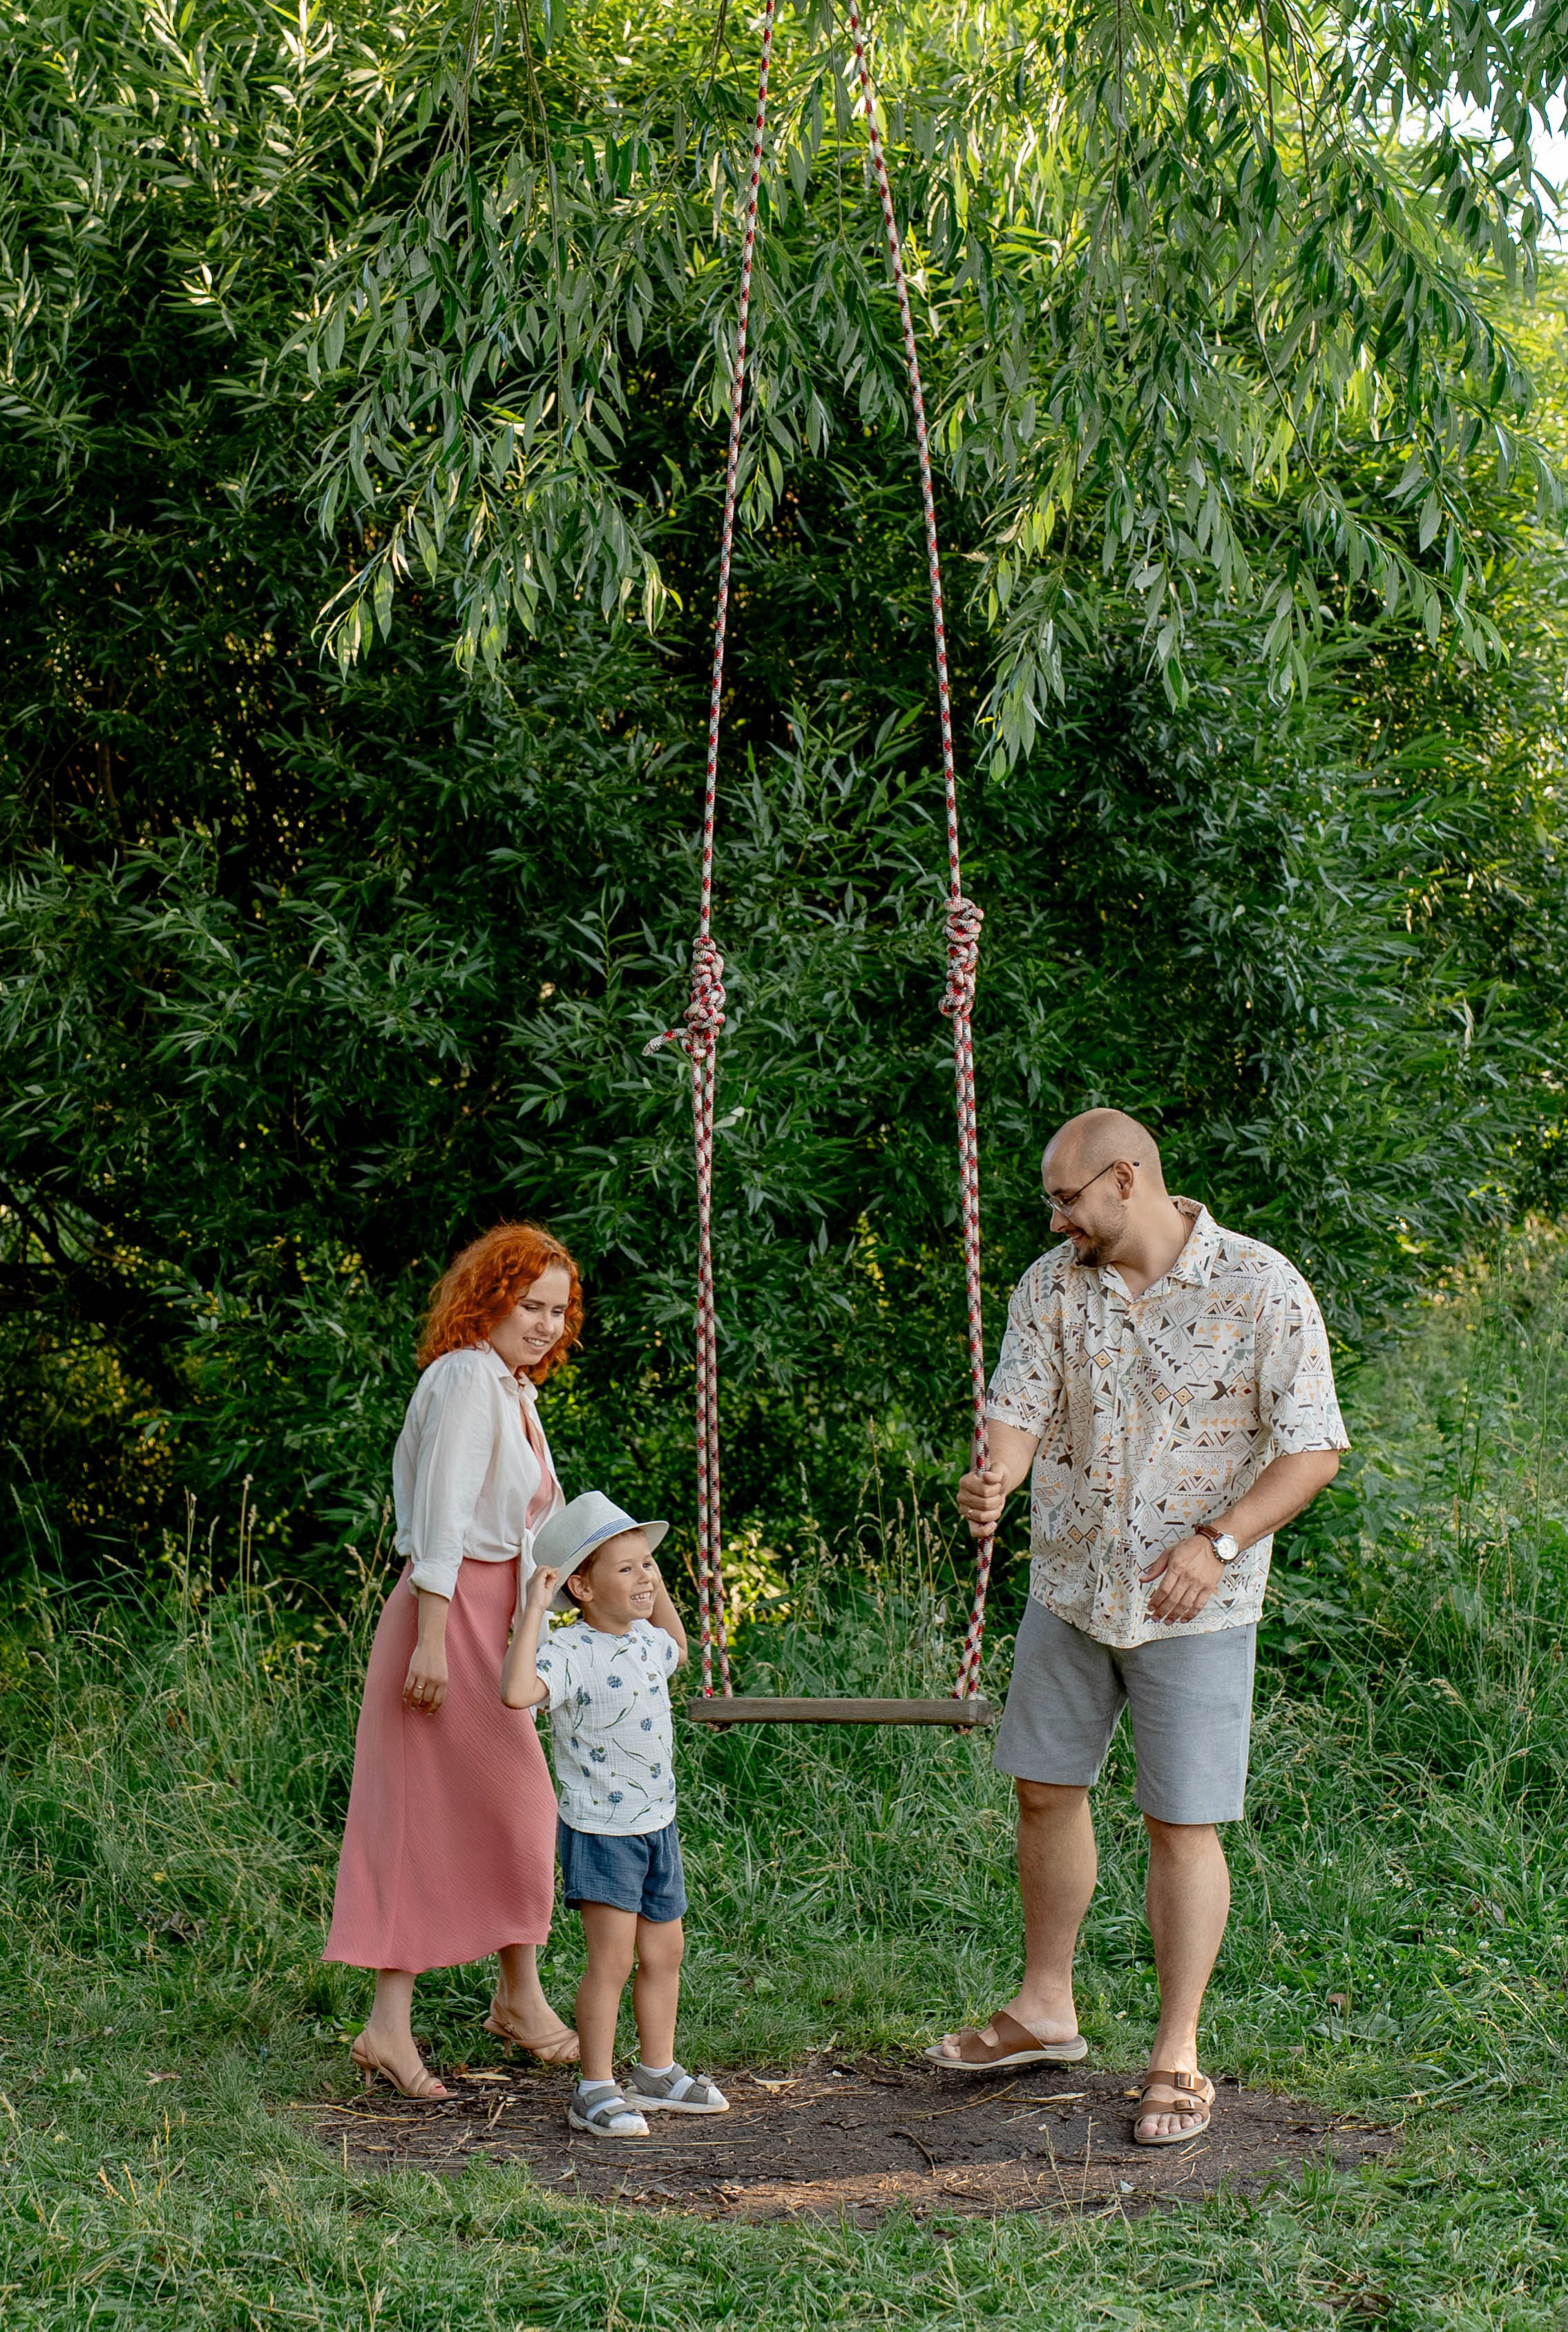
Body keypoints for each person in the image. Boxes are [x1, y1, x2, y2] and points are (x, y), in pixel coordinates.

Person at [929, 1109, 1347, 2147]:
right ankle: (1044, 2009)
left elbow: (1312, 1449)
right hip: (1070, 1585)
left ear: (1125, 1180)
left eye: (1068, 1198)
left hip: (1192, 1602)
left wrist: (1218, 1541)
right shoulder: (1048, 1286)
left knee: (1180, 1822)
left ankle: (1175, 2056)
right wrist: (998, 1478)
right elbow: (1019, 1409)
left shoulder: (1259, 1284)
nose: (1057, 1218)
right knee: (1042, 1790)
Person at [325, 1221, 583, 2097]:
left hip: (490, 1616)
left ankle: (517, 1998)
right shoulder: (469, 1376)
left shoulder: (512, 1388)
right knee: (422, 1821)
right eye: (531, 1304)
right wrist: (432, 1634)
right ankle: (390, 2028)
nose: (547, 1325)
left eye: (559, 1310)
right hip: (446, 1617)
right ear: (491, 1298)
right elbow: (440, 1513)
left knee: (511, 1810)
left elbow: (514, 1522)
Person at [501, 1491, 729, 2138]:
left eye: (648, 1565)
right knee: (612, 1962)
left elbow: (680, 1649)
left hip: (659, 1824)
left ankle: (656, 2072)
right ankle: (594, 2087)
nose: (645, 1577)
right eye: (625, 1569)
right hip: (602, 1831)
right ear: (582, 1585)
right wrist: (534, 1614)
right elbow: (516, 1693)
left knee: (666, 1953)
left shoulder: (647, 1643)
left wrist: (657, 1588)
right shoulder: (568, 1652)